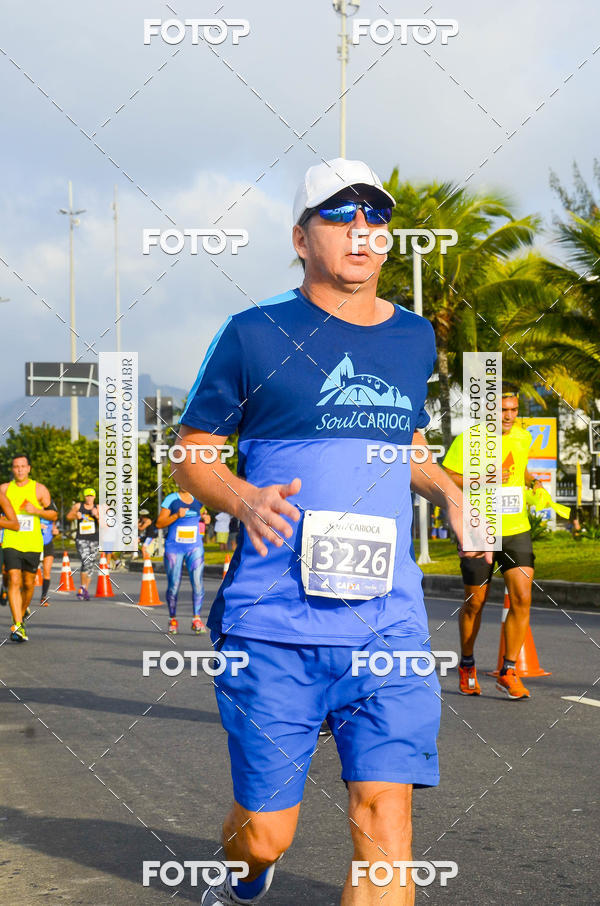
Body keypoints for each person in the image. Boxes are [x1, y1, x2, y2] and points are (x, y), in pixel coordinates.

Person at [175, 158, 488, 906]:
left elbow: (406, 446)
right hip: (274, 620)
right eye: (339, 217)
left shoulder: (414, 339)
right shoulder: (253, 334)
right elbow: (193, 454)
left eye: (375, 218)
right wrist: (244, 499)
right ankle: (244, 870)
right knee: (265, 832)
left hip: (388, 621)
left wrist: (448, 491)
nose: (361, 231)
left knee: (386, 817)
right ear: (300, 237)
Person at [443, 382, 542, 700]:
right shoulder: (470, 438)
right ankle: (468, 664)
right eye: (503, 410)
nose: (509, 416)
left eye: (514, 409)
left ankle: (508, 670)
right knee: (475, 602)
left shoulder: (523, 437)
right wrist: (482, 477)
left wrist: (530, 479)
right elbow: (447, 477)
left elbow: (520, 465)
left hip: (515, 527)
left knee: (523, 596)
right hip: (478, 527)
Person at [0, 454, 51, 641]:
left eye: (23, 466)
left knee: (29, 584)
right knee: (14, 579)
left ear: (29, 468)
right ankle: (18, 625)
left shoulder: (39, 489)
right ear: (12, 469)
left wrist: (36, 510)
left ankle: (19, 618)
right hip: (11, 541)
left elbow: (53, 513)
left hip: (33, 543)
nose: (19, 469)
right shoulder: (4, 490)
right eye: (16, 467)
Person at [155, 487, 210, 634]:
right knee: (174, 584)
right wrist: (176, 516)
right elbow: (159, 523)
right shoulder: (171, 499)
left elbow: (204, 512)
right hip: (174, 548)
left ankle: (196, 619)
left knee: (198, 583)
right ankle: (172, 619)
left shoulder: (198, 497)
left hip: (195, 547)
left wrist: (206, 518)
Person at [66, 489, 100, 601]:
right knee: (85, 560)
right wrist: (76, 515)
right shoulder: (78, 506)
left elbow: (105, 525)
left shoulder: (98, 508)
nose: (89, 498)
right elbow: (68, 516)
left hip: (94, 539)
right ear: (84, 497)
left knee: (90, 564)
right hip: (81, 539)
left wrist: (97, 516)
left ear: (94, 497)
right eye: (87, 496)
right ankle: (81, 587)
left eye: (91, 496)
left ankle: (84, 589)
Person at [39, 497, 59, 605]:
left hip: (48, 544)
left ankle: (44, 597)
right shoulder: (33, 513)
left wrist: (55, 531)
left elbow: (54, 527)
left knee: (46, 571)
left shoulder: (51, 514)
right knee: (29, 575)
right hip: (34, 544)